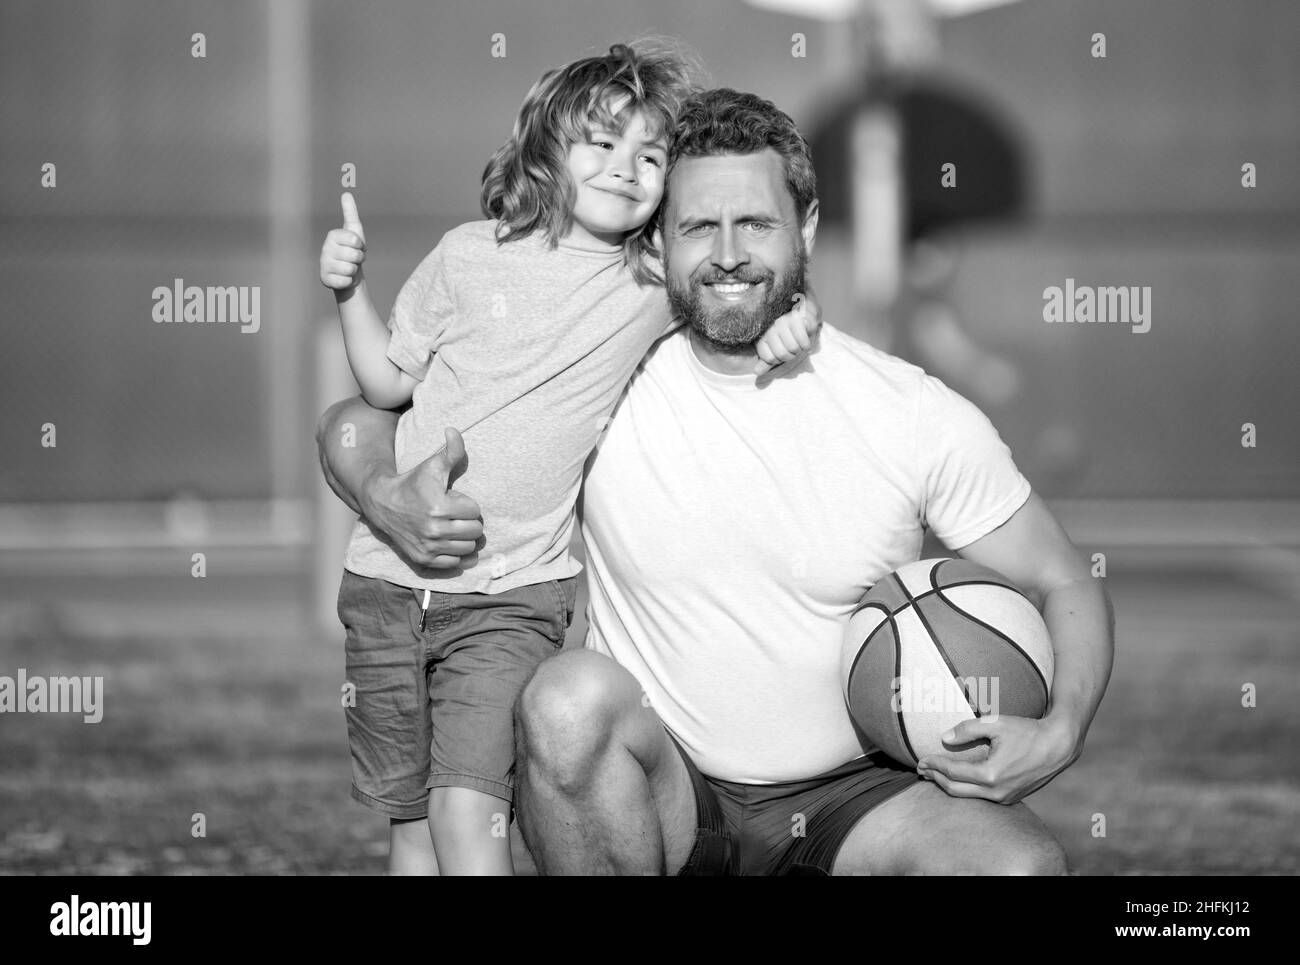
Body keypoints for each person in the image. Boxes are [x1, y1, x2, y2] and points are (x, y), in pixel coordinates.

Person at [318, 88, 1114, 876]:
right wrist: (386, 495)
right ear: (658, 245)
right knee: (566, 703)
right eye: (700, 225)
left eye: (756, 223)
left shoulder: (910, 412)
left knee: (1015, 869)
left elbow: (1063, 578)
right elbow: (356, 421)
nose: (729, 252)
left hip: (865, 794)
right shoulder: (603, 373)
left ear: (803, 227)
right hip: (668, 791)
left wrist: (1062, 727)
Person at [315, 45, 821, 876]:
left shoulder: (650, 280)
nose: (627, 169)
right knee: (408, 827)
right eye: (602, 143)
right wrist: (348, 291)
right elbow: (381, 381)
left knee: (466, 810)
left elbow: (742, 282)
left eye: (650, 156)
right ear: (547, 148)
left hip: (510, 598)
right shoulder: (466, 253)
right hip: (382, 589)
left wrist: (795, 314)